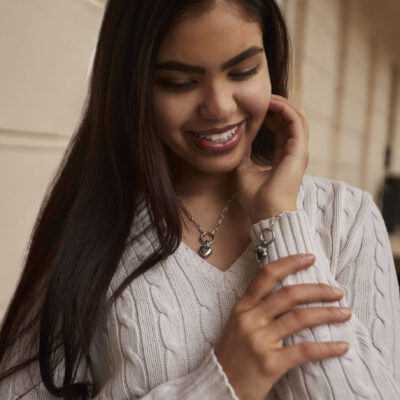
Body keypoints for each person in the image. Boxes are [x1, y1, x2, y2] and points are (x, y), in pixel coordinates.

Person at [1, 0, 399, 399]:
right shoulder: (92, 230)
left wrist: (280, 219)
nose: (221, 106)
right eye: (179, 82)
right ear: (134, 87)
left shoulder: (349, 219)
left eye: (243, 71)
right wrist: (219, 385)